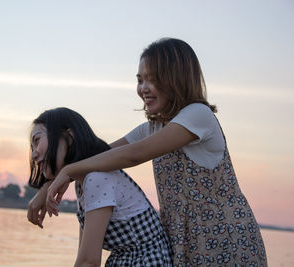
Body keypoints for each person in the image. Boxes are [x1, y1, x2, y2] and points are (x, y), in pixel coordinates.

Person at [44, 38, 268, 266]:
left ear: (176, 79)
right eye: (140, 80)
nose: (143, 89)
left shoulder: (198, 115)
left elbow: (134, 154)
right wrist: (47, 188)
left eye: (153, 79)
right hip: (181, 241)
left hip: (224, 238)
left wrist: (68, 171)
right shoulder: (152, 128)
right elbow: (98, 156)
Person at [28, 107, 173, 266]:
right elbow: (83, 257)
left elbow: (89, 261)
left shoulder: (96, 179)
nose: (34, 154)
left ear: (69, 137)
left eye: (37, 141)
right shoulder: (83, 181)